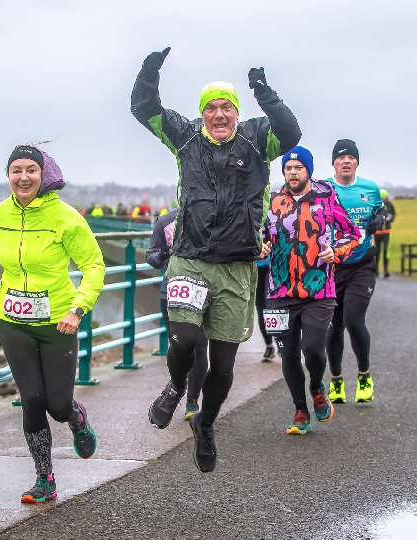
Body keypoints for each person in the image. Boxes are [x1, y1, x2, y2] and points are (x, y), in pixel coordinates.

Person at [131, 46, 301, 473]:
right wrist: (150, 69)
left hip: (238, 265)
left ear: (236, 112)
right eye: (212, 108)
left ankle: (206, 424)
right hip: (189, 258)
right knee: (186, 340)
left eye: (227, 107)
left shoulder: (259, 137)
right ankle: (174, 386)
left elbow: (292, 132)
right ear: (202, 112)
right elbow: (144, 107)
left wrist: (264, 93)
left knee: (223, 366)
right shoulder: (184, 135)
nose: (219, 114)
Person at [0, 145, 105, 503]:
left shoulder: (65, 217)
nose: (24, 177)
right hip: (12, 319)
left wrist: (78, 309)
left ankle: (76, 418)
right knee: (31, 399)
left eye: (31, 169)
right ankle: (44, 478)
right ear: (9, 175)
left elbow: (93, 265)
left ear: (43, 175)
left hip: (58, 321)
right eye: (17, 170)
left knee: (57, 406)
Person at [261, 146, 360, 434]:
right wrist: (262, 247)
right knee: (288, 354)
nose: (293, 173)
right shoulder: (273, 201)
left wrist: (336, 252)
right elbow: (260, 238)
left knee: (313, 350)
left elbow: (352, 234)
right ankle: (300, 411)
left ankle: (317, 386)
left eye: (298, 168)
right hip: (279, 292)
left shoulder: (326, 196)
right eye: (288, 169)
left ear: (308, 171)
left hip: (319, 289)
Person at [324, 139, 385, 404]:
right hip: (331, 267)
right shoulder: (324, 189)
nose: (346, 161)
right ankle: (336, 381)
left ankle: (364, 375)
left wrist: (380, 221)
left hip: (362, 265)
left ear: (357, 162)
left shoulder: (370, 188)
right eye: (341, 158)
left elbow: (380, 215)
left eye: (351, 157)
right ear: (334, 163)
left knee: (352, 319)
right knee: (332, 326)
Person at [146, 206, 209, 420]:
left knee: (200, 346)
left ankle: (192, 401)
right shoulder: (166, 221)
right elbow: (151, 257)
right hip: (173, 292)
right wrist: (165, 253)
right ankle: (177, 384)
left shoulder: (213, 216)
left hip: (204, 292)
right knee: (180, 347)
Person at [377, 188, 396, 278]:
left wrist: (389, 219)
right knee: (377, 252)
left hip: (386, 232)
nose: (384, 198)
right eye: (383, 196)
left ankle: (385, 270)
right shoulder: (375, 205)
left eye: (385, 196)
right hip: (377, 232)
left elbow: (393, 214)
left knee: (386, 251)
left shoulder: (389, 205)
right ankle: (376, 270)